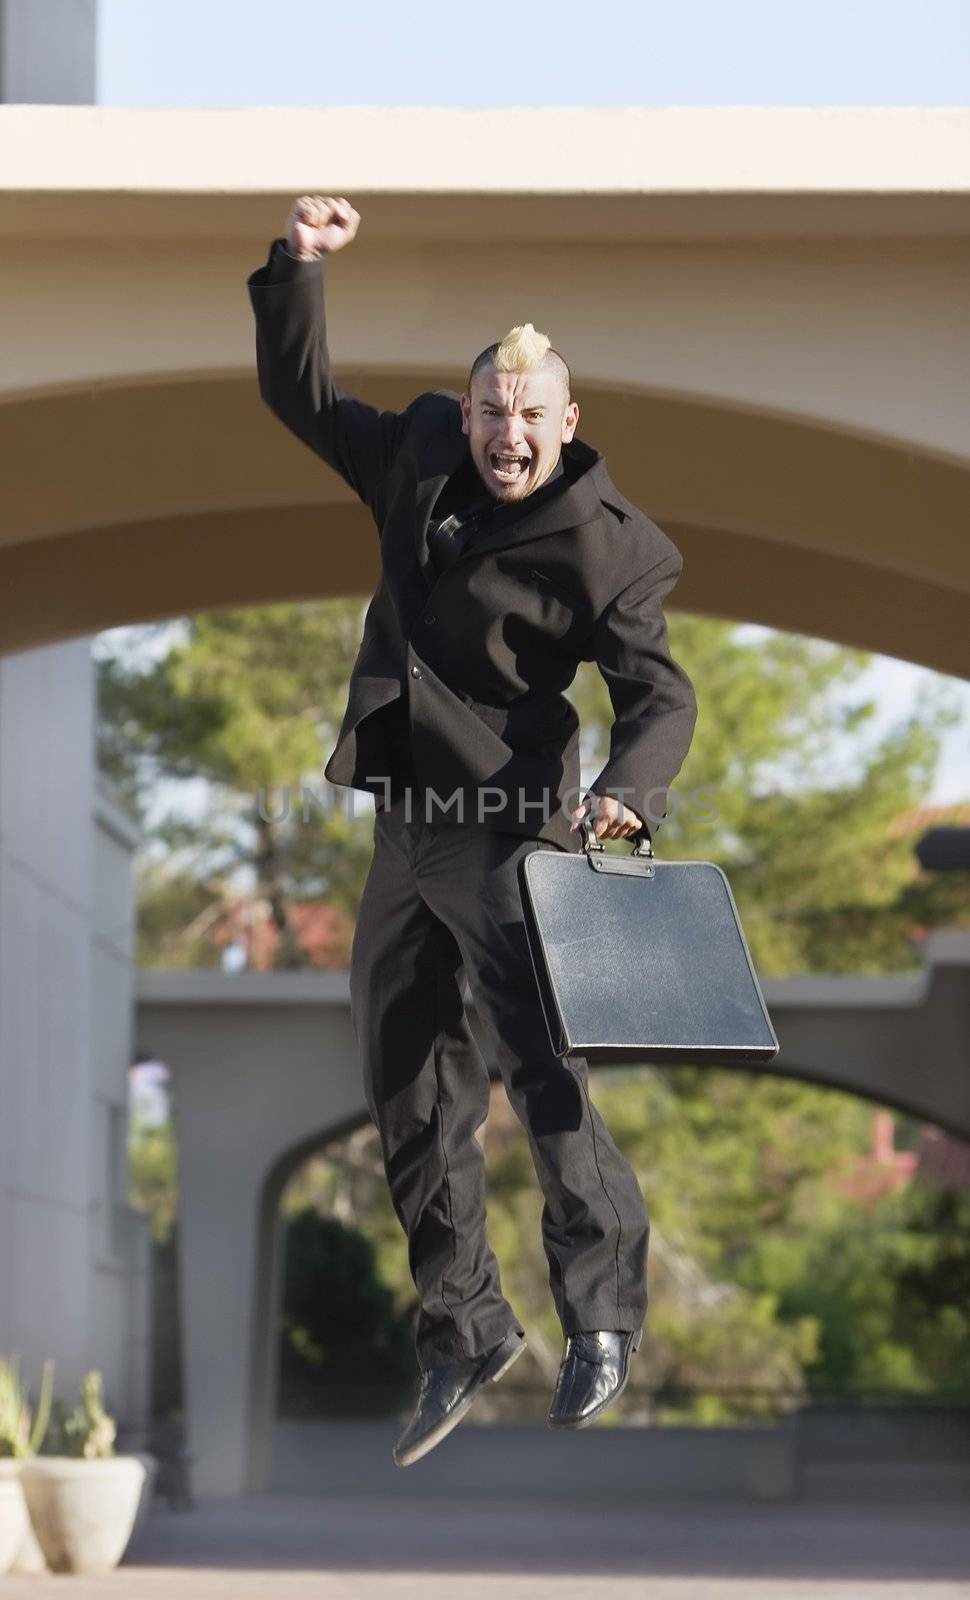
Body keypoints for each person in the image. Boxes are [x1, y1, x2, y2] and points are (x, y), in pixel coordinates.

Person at [247, 195, 697, 1466]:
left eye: (530, 419)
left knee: (534, 1062)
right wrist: (299, 269)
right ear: (473, 413)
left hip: (509, 823)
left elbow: (664, 695)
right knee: (407, 1081)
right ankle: (460, 1327)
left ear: (566, 424)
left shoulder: (613, 550)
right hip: (406, 818)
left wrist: (627, 788)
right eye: (491, 414)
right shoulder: (420, 454)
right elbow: (305, 398)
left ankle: (601, 1310)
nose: (506, 437)